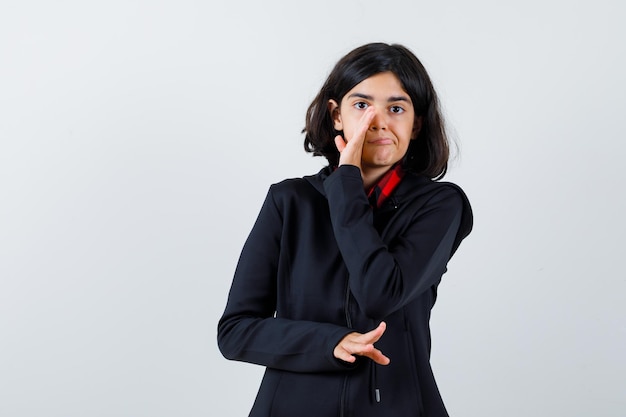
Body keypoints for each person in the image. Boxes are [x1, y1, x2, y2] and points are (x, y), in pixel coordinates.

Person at [217, 42, 473, 417]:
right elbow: (235, 332)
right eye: (361, 105)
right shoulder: (289, 202)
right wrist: (329, 342)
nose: (379, 122)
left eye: (397, 108)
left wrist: (345, 184)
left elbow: (379, 294)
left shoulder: (440, 206)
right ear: (336, 115)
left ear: (416, 124)